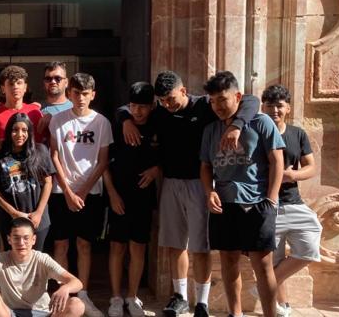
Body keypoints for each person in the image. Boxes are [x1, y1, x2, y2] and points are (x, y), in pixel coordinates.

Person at [118, 70, 260, 317]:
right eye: (162, 101)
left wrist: (237, 125)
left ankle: (202, 302)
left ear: (183, 91)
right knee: (175, 243)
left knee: (200, 245)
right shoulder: (161, 113)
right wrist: (125, 120)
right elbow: (125, 109)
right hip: (171, 183)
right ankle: (179, 296)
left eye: (171, 99)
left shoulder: (205, 105)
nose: (167, 105)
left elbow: (251, 101)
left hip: (200, 182)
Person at [200, 71, 284, 317]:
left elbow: (276, 160)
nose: (217, 106)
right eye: (213, 101)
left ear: (237, 97)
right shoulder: (210, 130)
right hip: (224, 204)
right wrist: (209, 191)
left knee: (263, 265)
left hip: (257, 203)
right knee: (228, 261)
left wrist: (272, 198)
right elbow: (205, 166)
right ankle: (234, 313)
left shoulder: (261, 122)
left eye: (222, 100)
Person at [49, 72, 113, 317]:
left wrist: (83, 192)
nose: (80, 98)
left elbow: (103, 160)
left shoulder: (101, 122)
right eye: (76, 93)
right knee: (60, 243)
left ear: (92, 95)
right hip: (61, 192)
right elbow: (55, 155)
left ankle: (83, 294)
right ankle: (60, 293)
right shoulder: (59, 120)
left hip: (91, 193)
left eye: (85, 93)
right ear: (70, 93)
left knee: (85, 245)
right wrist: (67, 191)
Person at [261, 85, 322, 317]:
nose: (274, 110)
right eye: (269, 105)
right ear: (263, 107)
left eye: (279, 105)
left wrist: (291, 176)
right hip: (267, 204)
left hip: (294, 202)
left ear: (287, 107)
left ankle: (266, 286)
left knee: (309, 248)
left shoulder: (297, 134)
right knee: (275, 259)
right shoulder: (256, 133)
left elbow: (311, 167)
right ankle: (282, 306)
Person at [103, 82, 159, 317]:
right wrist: (113, 194)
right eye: (133, 106)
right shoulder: (117, 124)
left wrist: (157, 169)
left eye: (143, 107)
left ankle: (132, 296)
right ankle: (116, 297)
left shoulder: (160, 124)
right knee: (117, 247)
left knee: (138, 247)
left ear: (152, 106)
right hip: (118, 195)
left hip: (144, 197)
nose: (137, 112)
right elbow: (103, 163)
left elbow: (172, 154)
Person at [0, 217, 85, 317]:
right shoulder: (1, 260)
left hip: (43, 312)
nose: (21, 243)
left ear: (33, 240)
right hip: (11, 313)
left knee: (77, 304)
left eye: (26, 238)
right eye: (16, 238)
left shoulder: (42, 259)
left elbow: (77, 283)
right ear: (9, 239)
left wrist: (65, 288)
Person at [0, 113, 55, 251]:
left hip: (37, 221)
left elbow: (48, 183)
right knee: (12, 262)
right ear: (9, 131)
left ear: (30, 132)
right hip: (10, 221)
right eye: (15, 130)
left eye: (24, 130)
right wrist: (13, 213)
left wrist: (38, 213)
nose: (19, 134)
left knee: (35, 261)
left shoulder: (40, 151)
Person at [37, 62, 73, 140]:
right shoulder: (36, 109)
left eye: (58, 78)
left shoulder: (74, 108)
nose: (53, 82)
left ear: (66, 82)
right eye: (48, 79)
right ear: (44, 83)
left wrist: (54, 119)